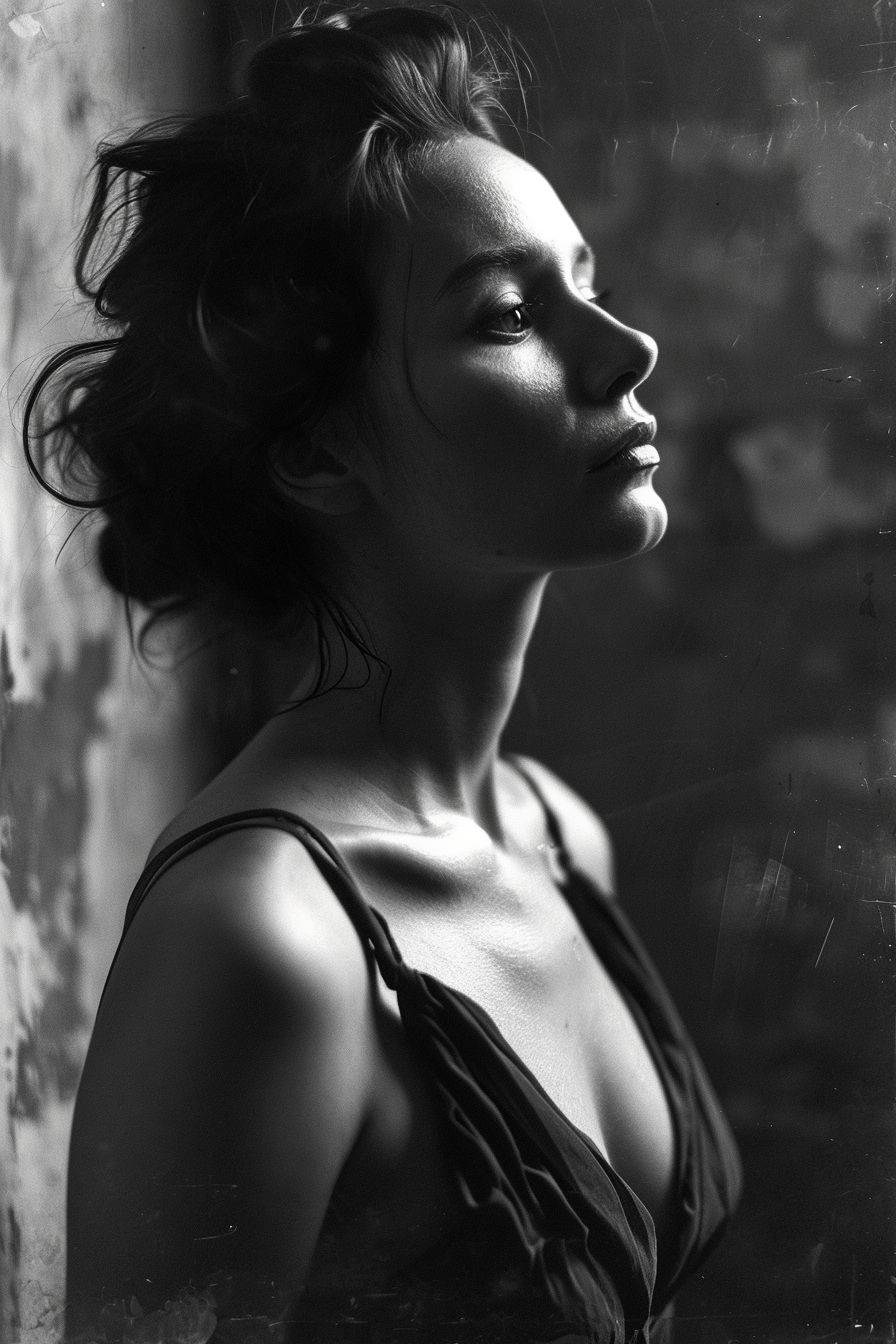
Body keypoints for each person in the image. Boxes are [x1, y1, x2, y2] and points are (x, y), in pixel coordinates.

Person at [24, 6, 741, 1341]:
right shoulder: (261, 941)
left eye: (586, 277)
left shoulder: (554, 833)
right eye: (514, 313)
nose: (624, 349)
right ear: (319, 452)